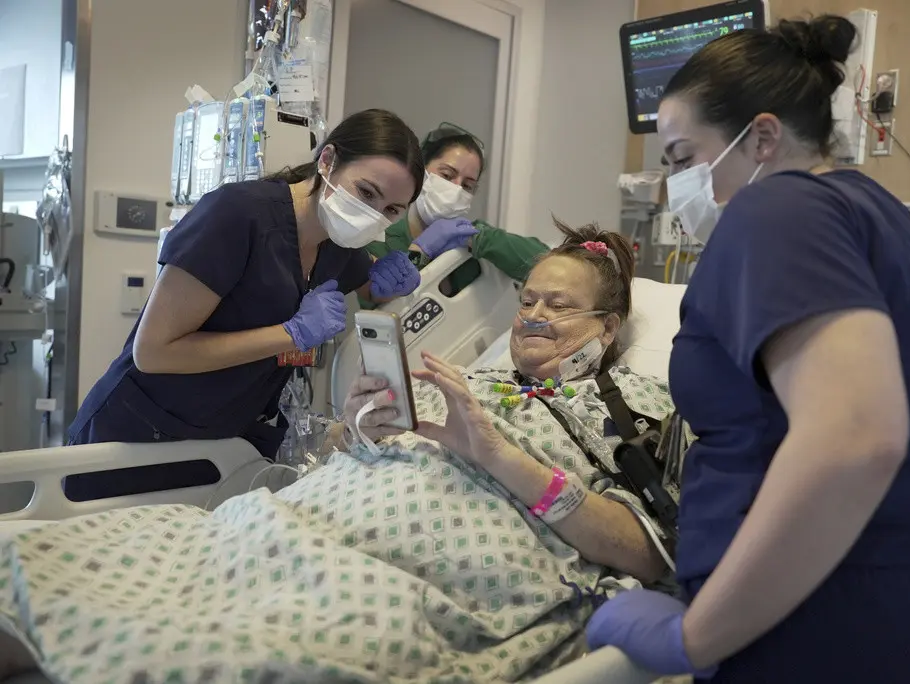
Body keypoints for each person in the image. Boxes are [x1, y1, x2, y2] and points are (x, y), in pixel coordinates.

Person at [0, 222, 679, 683]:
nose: (530, 315)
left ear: (608, 326)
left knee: (175, 645)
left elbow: (646, 551)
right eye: (527, 296)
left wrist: (497, 452)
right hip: (279, 531)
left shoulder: (630, 407)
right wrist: (355, 424)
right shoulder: (471, 376)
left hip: (397, 583)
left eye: (555, 304)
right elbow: (332, 456)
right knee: (37, 560)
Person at [586, 15, 910, 683]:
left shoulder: (773, 212)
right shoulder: (878, 225)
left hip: (830, 626)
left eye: (680, 158)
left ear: (762, 137)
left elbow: (855, 439)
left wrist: (695, 639)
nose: (671, 186)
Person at [65, 109, 425, 501]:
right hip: (138, 437)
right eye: (366, 193)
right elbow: (152, 352)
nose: (373, 215)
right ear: (327, 161)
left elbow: (367, 284)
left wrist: (392, 279)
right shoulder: (237, 216)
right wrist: (290, 334)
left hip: (225, 446)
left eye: (391, 210)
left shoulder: (338, 244)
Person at [359, 122, 549, 308]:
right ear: (420, 172)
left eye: (467, 185)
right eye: (447, 175)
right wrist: (421, 251)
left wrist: (478, 239)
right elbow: (376, 294)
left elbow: (546, 264)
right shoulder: (381, 235)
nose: (456, 189)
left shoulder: (474, 238)